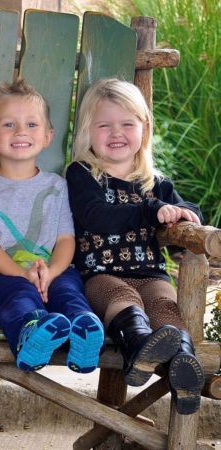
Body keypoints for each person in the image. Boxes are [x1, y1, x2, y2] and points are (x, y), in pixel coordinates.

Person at [66, 78, 205, 414]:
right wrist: (150, 211)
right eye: (105, 125)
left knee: (164, 306)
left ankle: (184, 368)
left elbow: (190, 216)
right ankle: (138, 350)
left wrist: (185, 220)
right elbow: (95, 217)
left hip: (151, 274)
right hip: (100, 276)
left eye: (127, 124)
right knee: (123, 298)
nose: (117, 133)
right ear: (87, 131)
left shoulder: (156, 184)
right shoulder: (83, 174)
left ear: (144, 127)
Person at [0, 79, 104, 373]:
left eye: (31, 124)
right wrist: (24, 275)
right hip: (2, 272)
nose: (20, 132)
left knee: (68, 291)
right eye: (8, 125)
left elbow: (66, 240)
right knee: (17, 299)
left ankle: (84, 332)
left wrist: (51, 272)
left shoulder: (58, 185)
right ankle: (31, 334)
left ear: (47, 136)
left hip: (54, 268)